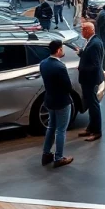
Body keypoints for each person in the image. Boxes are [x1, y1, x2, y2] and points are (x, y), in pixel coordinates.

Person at [40, 39, 76, 167]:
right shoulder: (60, 67)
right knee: (61, 130)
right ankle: (59, 157)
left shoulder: (43, 63)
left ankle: (46, 154)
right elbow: (67, 86)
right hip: (62, 101)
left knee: (51, 127)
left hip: (49, 100)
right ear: (59, 50)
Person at [76, 23, 105, 142]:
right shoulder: (91, 41)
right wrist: (81, 53)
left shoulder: (95, 44)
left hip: (91, 80)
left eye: (82, 29)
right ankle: (90, 128)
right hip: (87, 79)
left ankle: (97, 131)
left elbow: (95, 65)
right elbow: (89, 56)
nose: (81, 31)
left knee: (94, 106)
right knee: (90, 104)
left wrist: (81, 68)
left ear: (88, 30)